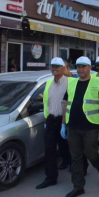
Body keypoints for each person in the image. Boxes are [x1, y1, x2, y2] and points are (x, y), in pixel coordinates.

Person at [61, 56, 99, 197]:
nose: (81, 69)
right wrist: (63, 124)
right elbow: (66, 104)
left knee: (91, 154)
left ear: (90, 68)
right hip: (72, 126)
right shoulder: (71, 83)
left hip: (90, 126)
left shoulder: (98, 82)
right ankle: (78, 187)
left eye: (84, 66)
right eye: (78, 66)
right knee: (76, 157)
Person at [36, 58, 71, 190]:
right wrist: (46, 118)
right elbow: (46, 102)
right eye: (52, 66)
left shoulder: (71, 82)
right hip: (51, 120)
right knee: (49, 149)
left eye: (57, 66)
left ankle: (77, 167)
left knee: (70, 146)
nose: (54, 69)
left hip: (65, 120)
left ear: (63, 68)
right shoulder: (49, 83)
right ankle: (51, 177)